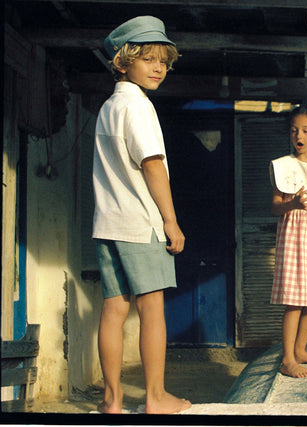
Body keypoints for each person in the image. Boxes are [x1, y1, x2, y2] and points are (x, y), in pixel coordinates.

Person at [92, 16, 192, 414]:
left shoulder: (109, 106)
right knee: (152, 310)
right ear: (123, 61)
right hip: (141, 223)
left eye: (164, 62)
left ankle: (111, 400)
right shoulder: (138, 107)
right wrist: (170, 220)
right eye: (148, 59)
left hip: (108, 223)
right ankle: (155, 398)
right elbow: (152, 165)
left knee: (114, 309)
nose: (158, 68)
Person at [269, 105, 307, 378]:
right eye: (293, 130)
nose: (298, 135)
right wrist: (294, 205)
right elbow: (276, 207)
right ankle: (288, 359)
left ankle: (301, 350)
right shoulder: (283, 166)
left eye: (305, 130)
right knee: (295, 299)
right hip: (296, 237)